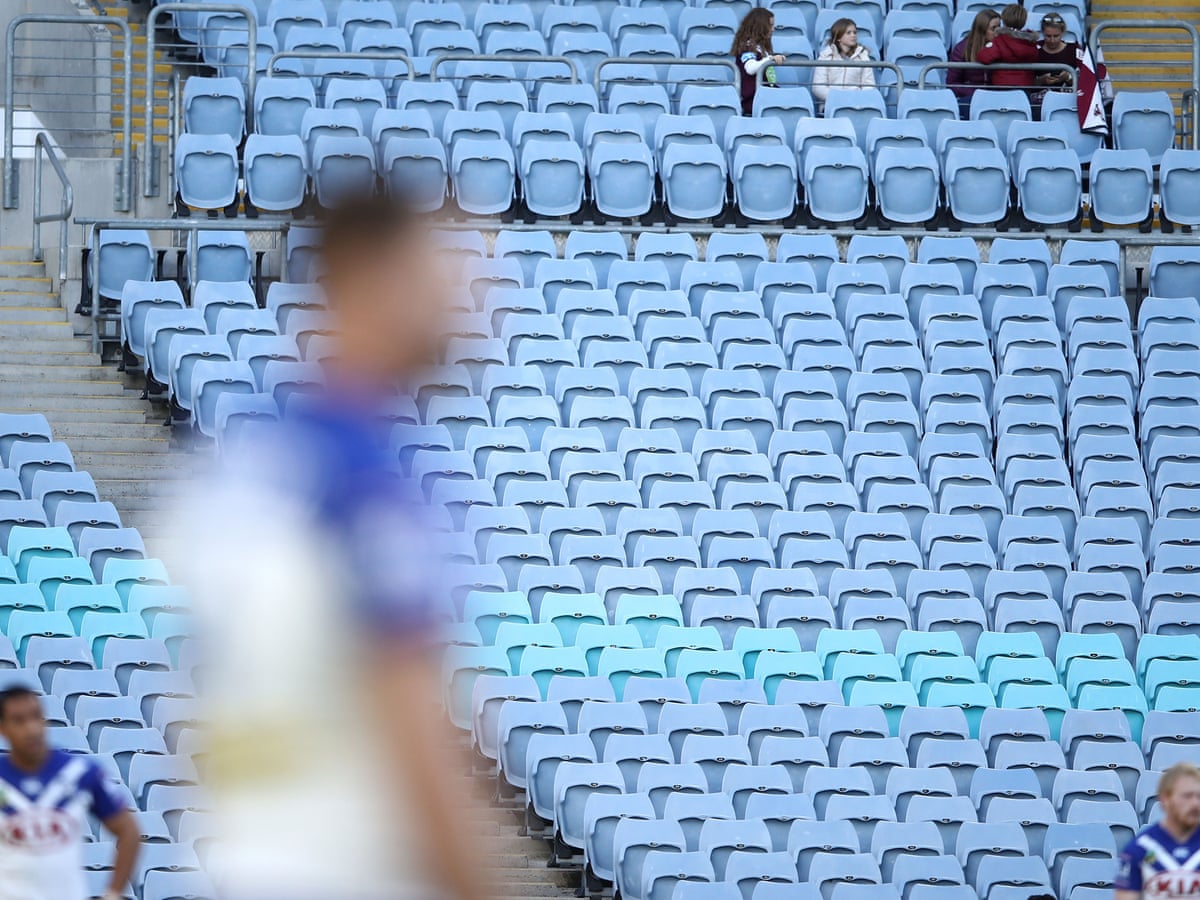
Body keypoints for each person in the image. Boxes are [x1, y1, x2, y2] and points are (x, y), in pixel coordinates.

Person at [181, 195, 495, 899]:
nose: (465, 299)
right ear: (365, 277)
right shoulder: (367, 483)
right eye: (438, 272)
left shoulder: (244, 465)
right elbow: (409, 722)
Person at [0, 687, 139, 900]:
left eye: (36, 717)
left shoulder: (80, 772)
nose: (31, 729)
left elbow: (129, 831)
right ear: (3, 728)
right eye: (19, 721)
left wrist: (113, 894)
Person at [1115, 762, 1200, 900]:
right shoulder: (1139, 850)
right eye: (1187, 796)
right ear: (1165, 799)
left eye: (1199, 796)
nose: (1195, 803)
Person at [948, 8, 1000, 117]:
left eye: (999, 27)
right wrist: (976, 93)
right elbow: (952, 82)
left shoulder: (1002, 48)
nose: (997, 32)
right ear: (982, 29)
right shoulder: (962, 49)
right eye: (993, 28)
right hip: (970, 97)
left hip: (995, 96)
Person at [732, 8, 785, 115]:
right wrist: (770, 59)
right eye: (770, 25)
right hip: (753, 101)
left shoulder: (762, 48)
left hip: (767, 97)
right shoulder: (747, 47)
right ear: (760, 26)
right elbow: (750, 68)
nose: (773, 29)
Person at [813, 17, 876, 105]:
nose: (853, 35)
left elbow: (869, 85)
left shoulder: (863, 57)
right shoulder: (825, 57)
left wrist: (855, 99)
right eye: (848, 33)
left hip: (856, 105)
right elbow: (818, 87)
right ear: (839, 37)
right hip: (831, 104)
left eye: (855, 32)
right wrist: (838, 98)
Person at [977, 3, 1040, 90]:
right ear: (1024, 21)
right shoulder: (1031, 42)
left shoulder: (1000, 40)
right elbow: (1036, 57)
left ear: (1004, 20)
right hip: (1024, 88)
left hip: (1002, 87)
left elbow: (984, 57)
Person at [1035, 12, 1079, 93]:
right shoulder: (1034, 49)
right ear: (1042, 33)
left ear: (1062, 33)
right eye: (1048, 36)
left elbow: (1086, 81)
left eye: (1056, 36)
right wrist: (1041, 80)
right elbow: (1025, 80)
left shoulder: (1074, 50)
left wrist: (1068, 77)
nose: (1052, 40)